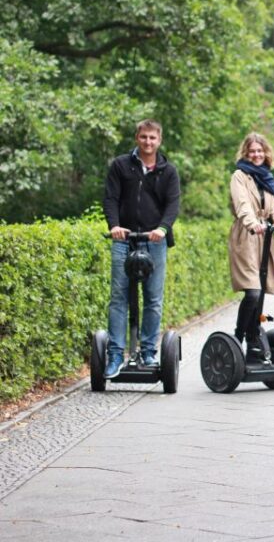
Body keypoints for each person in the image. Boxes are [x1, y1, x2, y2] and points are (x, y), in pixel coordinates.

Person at [102, 119, 181, 378]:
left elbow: (172, 204)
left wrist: (163, 228)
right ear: (137, 137)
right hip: (124, 239)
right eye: (144, 137)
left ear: (159, 141)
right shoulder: (121, 166)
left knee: (153, 299)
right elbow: (111, 198)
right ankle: (115, 355)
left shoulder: (168, 171)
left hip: (154, 240)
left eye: (153, 138)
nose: (148, 142)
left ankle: (148, 351)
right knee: (119, 297)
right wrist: (114, 225)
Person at [228, 133, 274, 360]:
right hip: (246, 236)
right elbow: (242, 205)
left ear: (266, 153)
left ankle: (253, 337)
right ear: (245, 154)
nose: (256, 155)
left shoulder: (266, 178)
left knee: (261, 291)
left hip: (265, 237)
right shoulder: (239, 176)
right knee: (253, 292)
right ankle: (239, 338)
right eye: (252, 151)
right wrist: (252, 223)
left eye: (260, 151)